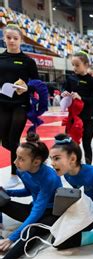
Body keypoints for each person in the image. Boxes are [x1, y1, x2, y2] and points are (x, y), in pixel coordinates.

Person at [0, 133, 62, 259]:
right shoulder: (21, 171)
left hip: (51, 214)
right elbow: (29, 190)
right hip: (35, 208)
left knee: (31, 231)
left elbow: (37, 212)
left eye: (21, 159)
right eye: (16, 157)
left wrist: (12, 237)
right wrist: (6, 192)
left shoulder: (49, 178)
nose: (15, 162)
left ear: (36, 162)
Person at [0, 23, 39, 189]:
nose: (11, 41)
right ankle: (27, 159)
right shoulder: (0, 59)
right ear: (4, 38)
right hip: (2, 104)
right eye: (8, 38)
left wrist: (27, 88)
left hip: (20, 105)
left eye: (15, 38)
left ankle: (15, 174)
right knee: (5, 140)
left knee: (14, 138)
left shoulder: (28, 61)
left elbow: (37, 84)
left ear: (21, 40)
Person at [62, 51, 93, 164]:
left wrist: (81, 98)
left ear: (86, 65)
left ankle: (88, 167)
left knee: (86, 143)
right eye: (73, 65)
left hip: (88, 117)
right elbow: (64, 89)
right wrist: (64, 93)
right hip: (74, 117)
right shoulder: (70, 79)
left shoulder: (92, 81)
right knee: (71, 142)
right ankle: (74, 164)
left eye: (77, 65)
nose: (74, 68)